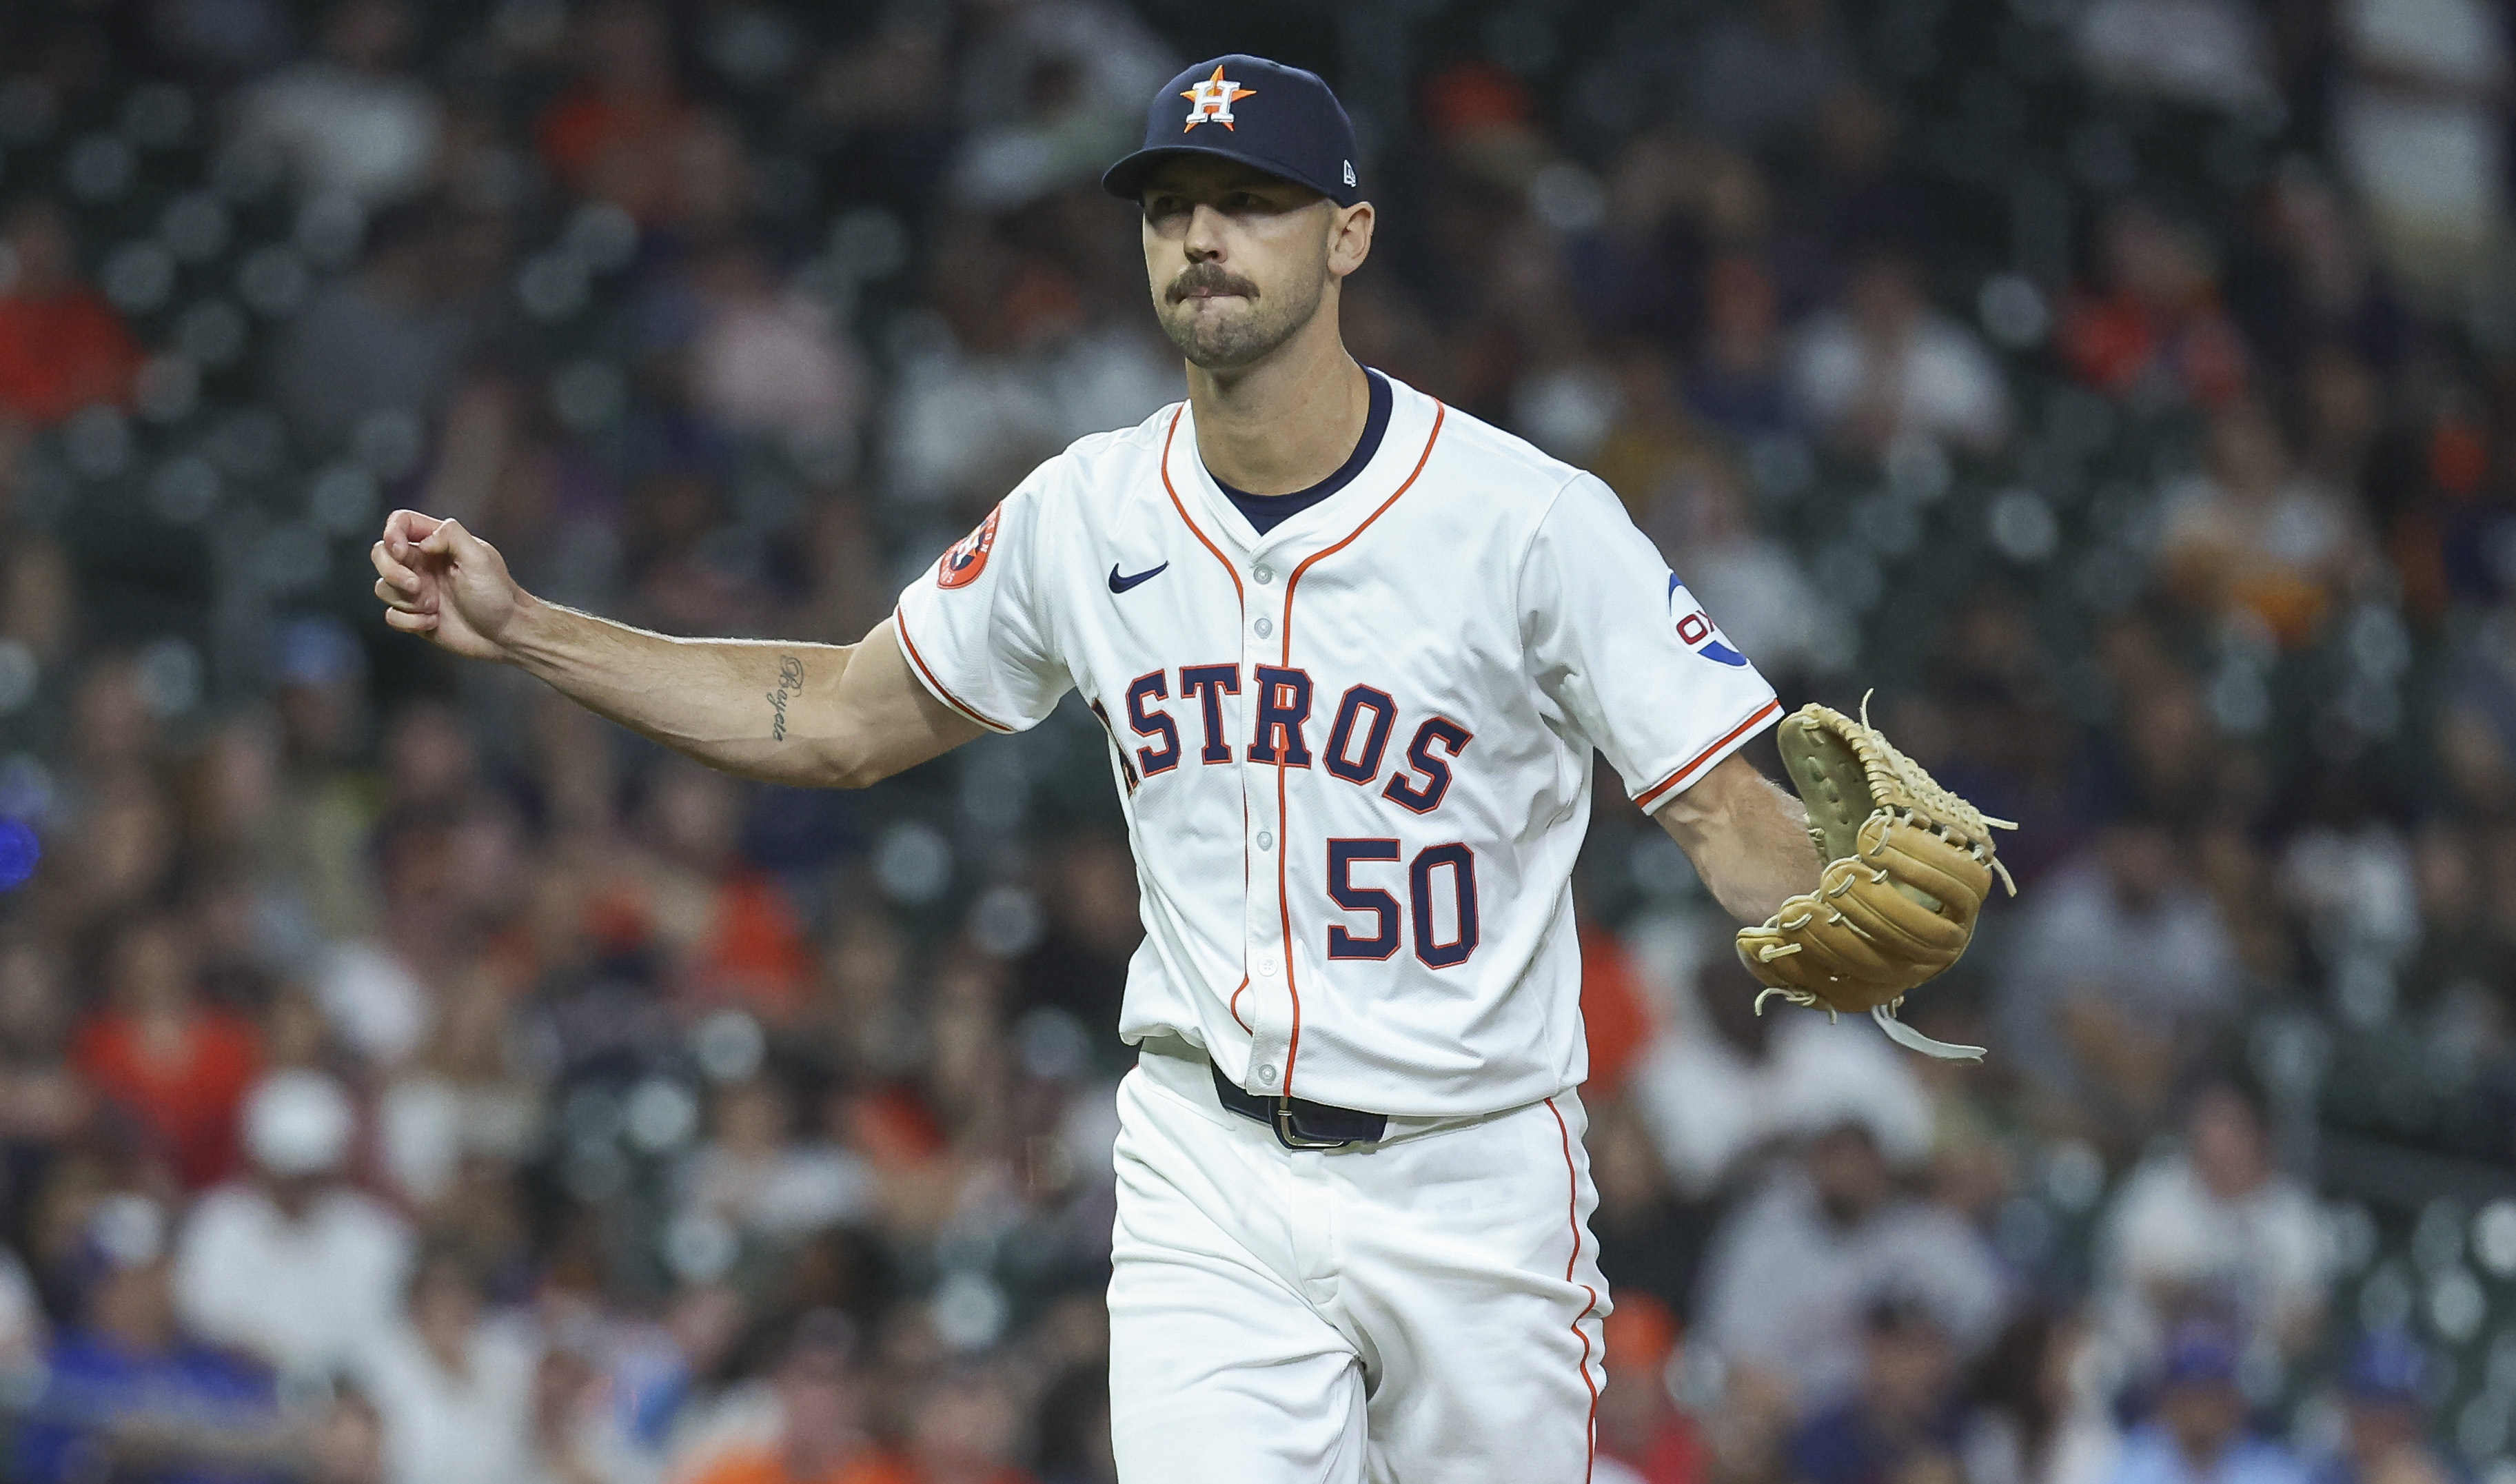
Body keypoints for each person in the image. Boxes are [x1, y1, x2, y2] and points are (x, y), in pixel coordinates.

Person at [372, 54, 1992, 1483]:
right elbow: (842, 714)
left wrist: (1844, 905)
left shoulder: (1528, 520)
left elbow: (1718, 803)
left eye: (1250, 201)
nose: (1201, 236)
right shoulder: (1084, 510)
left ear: (1346, 233)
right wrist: (531, 633)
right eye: (1170, 207)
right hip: (1205, 1165)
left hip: (1479, 1171)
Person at [172, 1069, 416, 1377]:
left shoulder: (378, 1238)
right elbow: (201, 1322)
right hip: (233, 1393)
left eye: (309, 1178)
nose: (297, 1192)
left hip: (341, 1399)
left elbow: (383, 1340)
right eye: (285, 1177)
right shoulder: (215, 1225)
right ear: (259, 1166)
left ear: (334, 1170)